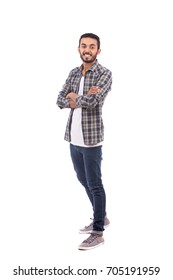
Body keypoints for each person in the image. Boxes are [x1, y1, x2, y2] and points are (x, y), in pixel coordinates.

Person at [56, 33, 112, 250]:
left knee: (95, 184)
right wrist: (79, 98)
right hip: (74, 138)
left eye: (92, 46)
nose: (87, 49)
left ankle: (98, 231)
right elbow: (59, 99)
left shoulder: (104, 74)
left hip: (91, 141)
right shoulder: (73, 73)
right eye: (84, 46)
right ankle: (102, 215)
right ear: (78, 48)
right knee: (83, 179)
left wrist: (74, 98)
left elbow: (95, 100)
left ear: (98, 50)